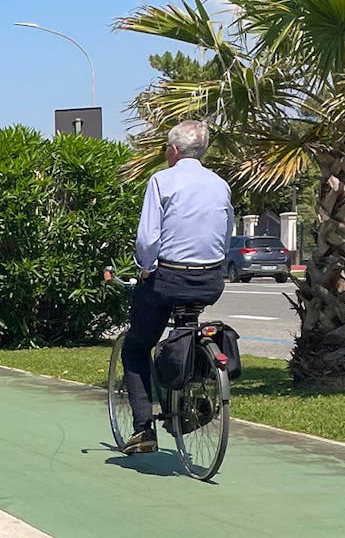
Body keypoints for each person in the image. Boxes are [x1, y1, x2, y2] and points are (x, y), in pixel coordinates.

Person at [121, 120, 234, 454]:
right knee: (186, 326)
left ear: (172, 150)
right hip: (210, 279)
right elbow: (225, 234)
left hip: (169, 277)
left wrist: (145, 268)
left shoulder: (162, 180)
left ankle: (143, 429)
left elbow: (147, 238)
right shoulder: (220, 184)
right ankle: (187, 396)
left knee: (136, 346)